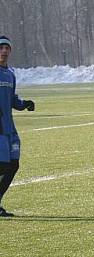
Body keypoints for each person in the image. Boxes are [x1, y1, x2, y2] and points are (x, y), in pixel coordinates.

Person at [0, 36, 35, 218]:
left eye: (7, 48)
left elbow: (12, 99)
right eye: (1, 48)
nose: (4, 51)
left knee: (13, 165)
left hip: (9, 128)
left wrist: (24, 104)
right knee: (3, 165)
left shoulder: (10, 74)